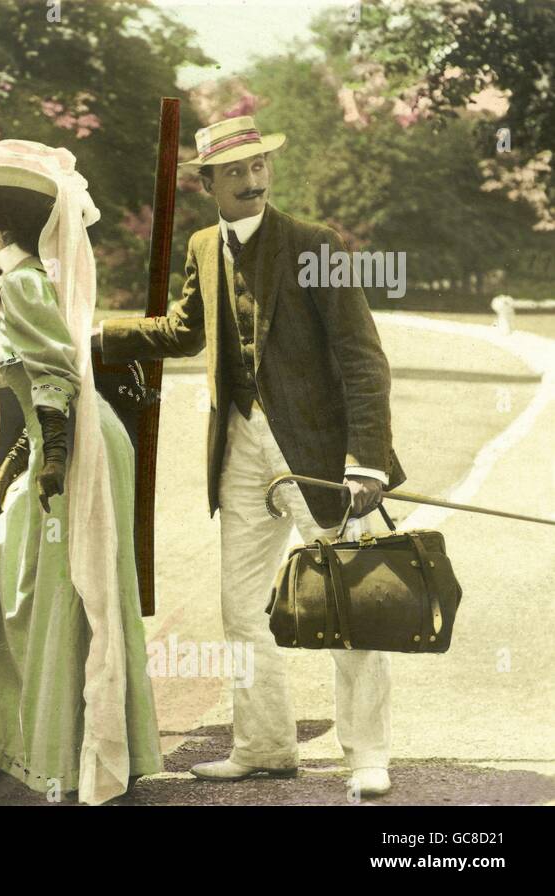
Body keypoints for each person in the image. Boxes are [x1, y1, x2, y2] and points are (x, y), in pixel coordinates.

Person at [95, 115, 405, 798]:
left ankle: (367, 754)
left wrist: (368, 462)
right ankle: (264, 745)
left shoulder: (314, 244)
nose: (252, 179)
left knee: (350, 604)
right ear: (207, 183)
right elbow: (181, 331)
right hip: (239, 449)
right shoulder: (204, 245)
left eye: (259, 165)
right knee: (240, 609)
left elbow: (362, 359)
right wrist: (92, 337)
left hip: (320, 456)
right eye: (234, 171)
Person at [0, 140, 163, 805]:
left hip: (76, 445)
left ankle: (60, 749)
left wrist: (50, 459)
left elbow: (53, 377)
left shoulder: (21, 285)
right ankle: (75, 742)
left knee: (37, 587)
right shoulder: (12, 284)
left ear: (6, 227)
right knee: (42, 587)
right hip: (66, 441)